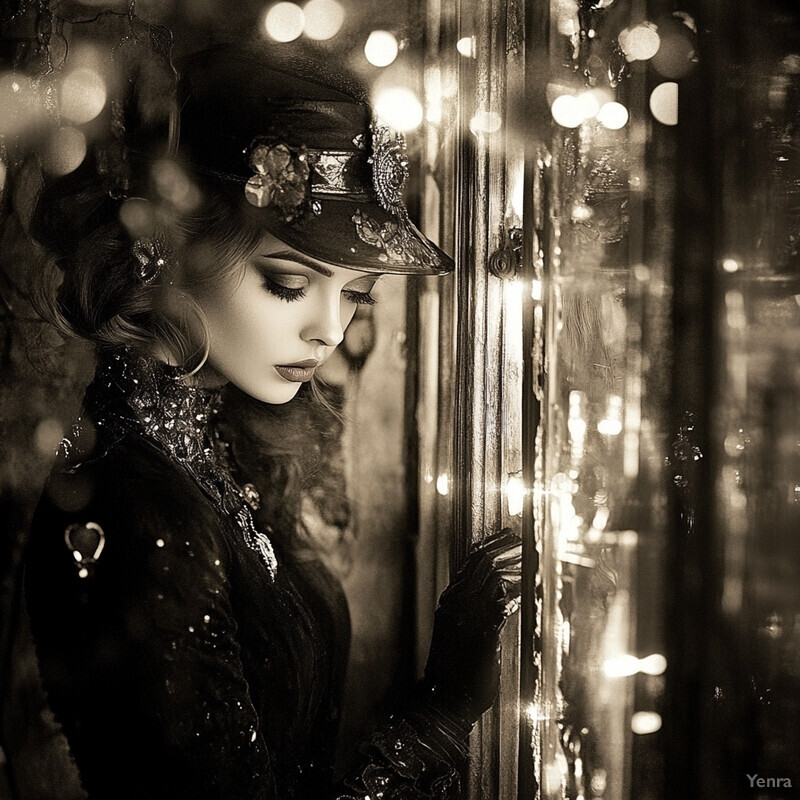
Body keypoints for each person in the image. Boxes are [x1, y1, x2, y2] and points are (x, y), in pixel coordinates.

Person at [22, 40, 522, 800]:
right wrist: (438, 718)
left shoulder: (211, 449)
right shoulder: (129, 511)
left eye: (356, 294)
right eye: (290, 283)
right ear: (170, 248)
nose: (329, 329)